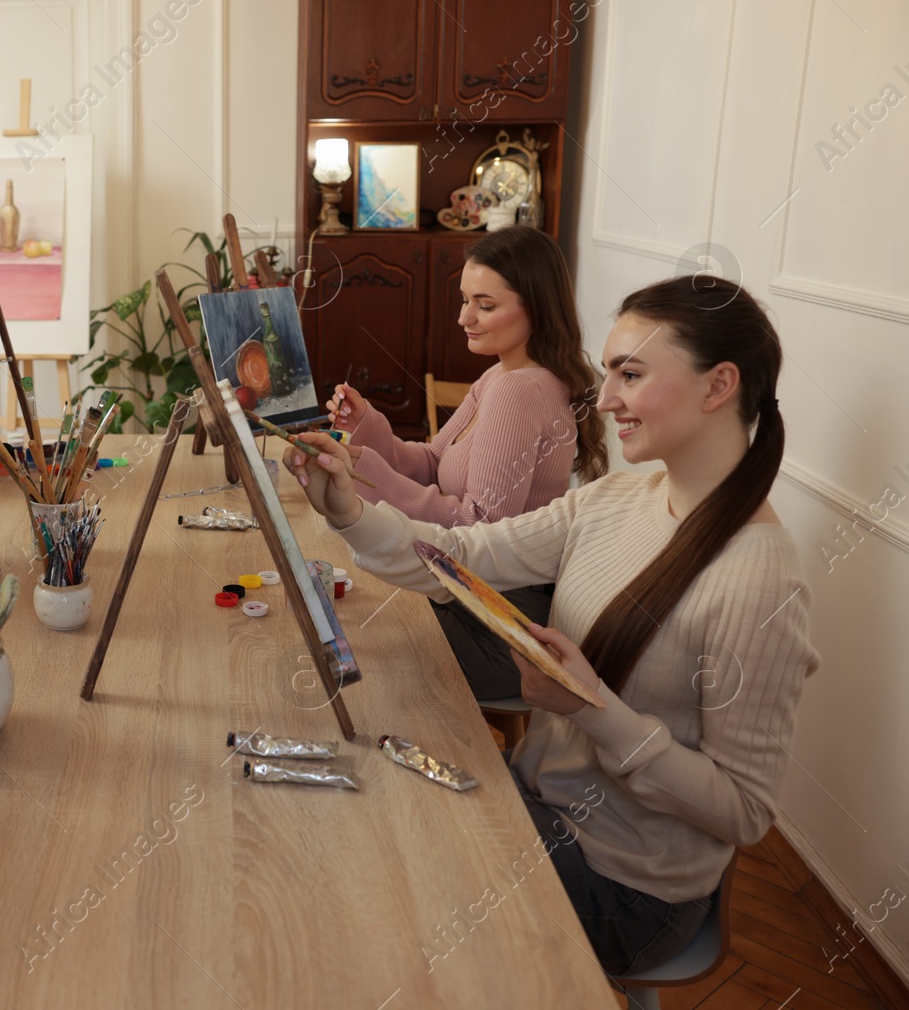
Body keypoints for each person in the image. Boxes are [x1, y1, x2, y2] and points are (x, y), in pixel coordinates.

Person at [287, 274, 818, 976]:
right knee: (361, 820)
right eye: (608, 374)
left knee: (376, 893)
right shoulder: (619, 497)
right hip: (536, 801)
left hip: (626, 890)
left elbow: (745, 811)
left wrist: (592, 709)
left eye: (630, 374)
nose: (605, 399)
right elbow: (466, 557)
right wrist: (350, 512)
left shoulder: (761, 577)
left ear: (718, 385)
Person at [326, 226, 607, 698]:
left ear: (535, 307)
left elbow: (482, 524)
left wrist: (363, 468)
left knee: (345, 647)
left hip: (499, 628)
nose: (463, 318)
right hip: (469, 597)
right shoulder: (500, 375)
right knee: (339, 616)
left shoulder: (522, 391)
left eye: (485, 304)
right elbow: (435, 464)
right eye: (464, 300)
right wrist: (369, 425)